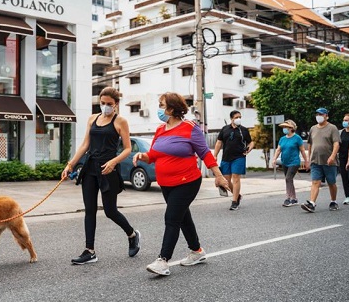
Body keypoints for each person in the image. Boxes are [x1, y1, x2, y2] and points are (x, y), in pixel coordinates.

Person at [132, 92, 229, 276]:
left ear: (172, 108)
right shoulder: (161, 129)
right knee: (183, 217)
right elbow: (153, 154)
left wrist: (219, 176)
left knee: (172, 218)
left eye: (162, 105)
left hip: (187, 181)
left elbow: (205, 154)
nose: (159, 109)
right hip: (166, 183)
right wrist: (142, 156)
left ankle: (163, 260)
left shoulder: (190, 128)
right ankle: (197, 251)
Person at [61, 87, 140, 265]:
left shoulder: (121, 121)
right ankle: (90, 251)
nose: (105, 107)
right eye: (102, 103)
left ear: (116, 104)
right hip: (90, 168)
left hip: (108, 169)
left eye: (109, 104)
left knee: (110, 211)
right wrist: (70, 164)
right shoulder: (92, 119)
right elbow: (84, 145)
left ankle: (132, 235)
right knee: (89, 210)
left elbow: (127, 148)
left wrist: (113, 162)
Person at [301, 108, 340, 213]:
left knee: (331, 182)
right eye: (317, 114)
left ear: (326, 116)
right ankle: (312, 203)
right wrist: (308, 159)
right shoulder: (313, 128)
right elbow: (310, 144)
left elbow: (336, 143)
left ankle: (333, 201)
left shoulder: (332, 128)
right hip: (315, 161)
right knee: (315, 182)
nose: (318, 116)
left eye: (321, 114)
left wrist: (332, 156)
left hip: (329, 161)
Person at [213, 110, 254, 210]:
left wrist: (248, 150)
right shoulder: (225, 129)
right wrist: (215, 155)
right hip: (226, 158)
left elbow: (251, 142)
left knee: (236, 178)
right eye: (236, 117)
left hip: (239, 157)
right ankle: (238, 195)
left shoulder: (243, 130)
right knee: (226, 181)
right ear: (231, 118)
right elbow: (219, 143)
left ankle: (235, 201)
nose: (238, 119)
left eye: (240, 117)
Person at [271, 119, 309, 207]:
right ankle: (294, 198)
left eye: (286, 127)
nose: (284, 129)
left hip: (294, 162)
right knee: (289, 180)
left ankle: (288, 198)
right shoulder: (282, 139)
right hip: (285, 162)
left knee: (288, 178)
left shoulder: (297, 138)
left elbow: (302, 151)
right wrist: (274, 159)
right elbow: (278, 150)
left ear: (291, 128)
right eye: (283, 127)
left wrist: (306, 161)